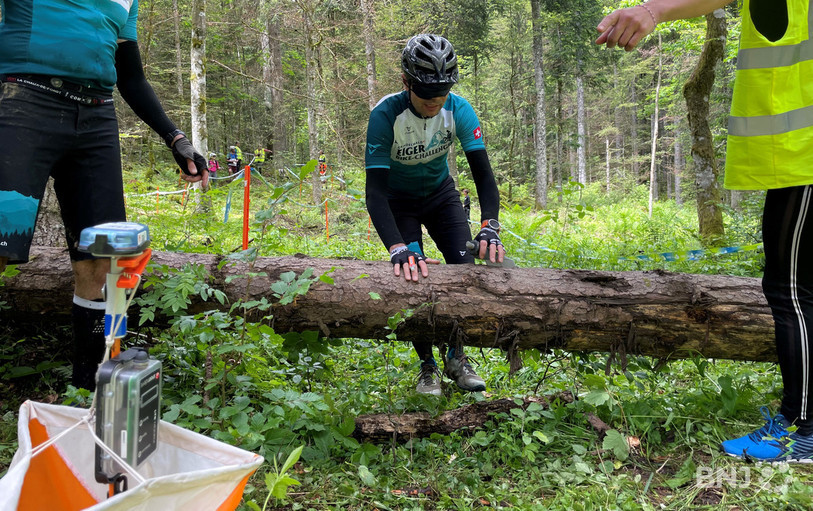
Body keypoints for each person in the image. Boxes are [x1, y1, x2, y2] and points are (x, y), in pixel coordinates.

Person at [596, 0, 813, 463]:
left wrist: (654, 11)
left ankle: (805, 427)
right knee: (787, 286)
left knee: (793, 290)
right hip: (796, 155)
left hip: (806, 154)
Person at [0, 0, 208, 391]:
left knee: (102, 262)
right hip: (22, 103)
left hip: (96, 116)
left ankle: (90, 394)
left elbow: (131, 78)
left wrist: (175, 138)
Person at [365, 34, 506, 396]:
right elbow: (376, 191)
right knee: (416, 276)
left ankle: (458, 356)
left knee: (463, 272)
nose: (435, 102)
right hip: (400, 201)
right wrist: (396, 245)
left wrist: (490, 224)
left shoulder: (458, 109)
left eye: (441, 94)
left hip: (442, 196)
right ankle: (428, 366)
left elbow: (483, 174)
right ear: (406, 83)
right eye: (427, 95)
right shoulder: (385, 115)